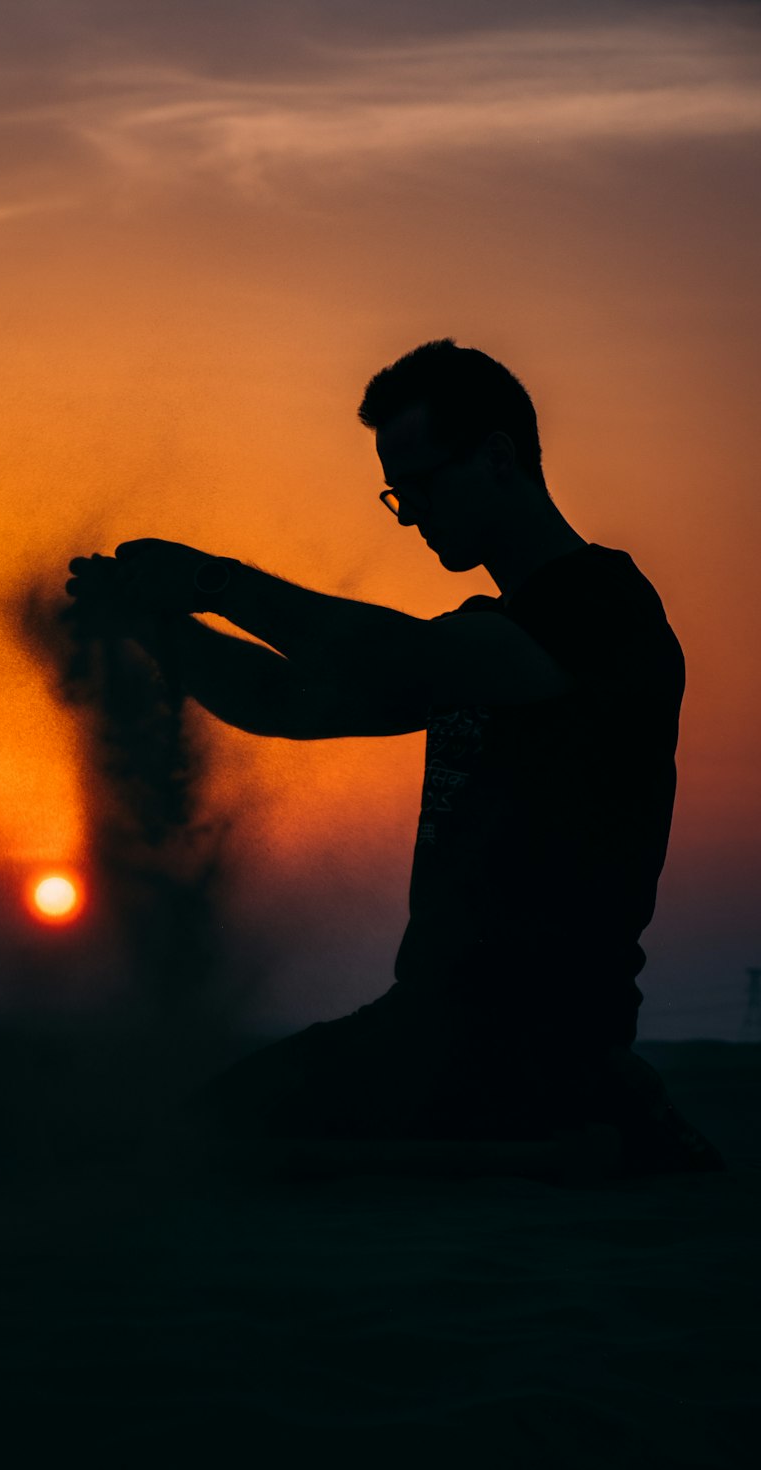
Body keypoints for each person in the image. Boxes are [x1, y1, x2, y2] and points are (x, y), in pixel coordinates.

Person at [65, 338, 722, 1181]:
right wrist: (153, 628)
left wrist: (213, 583)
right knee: (197, 1132)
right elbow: (286, 702)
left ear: (497, 457)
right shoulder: (488, 636)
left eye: (422, 488)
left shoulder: (600, 608)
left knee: (198, 1153)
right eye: (396, 497)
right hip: (429, 1033)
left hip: (522, 1044)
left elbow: (391, 657)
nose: (411, 517)